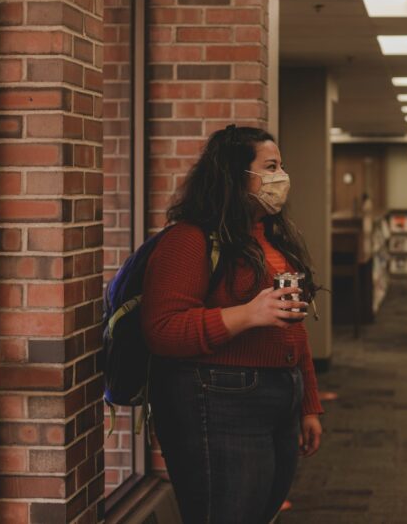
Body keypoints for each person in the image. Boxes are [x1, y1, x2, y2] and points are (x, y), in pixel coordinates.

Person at [142, 125, 324, 524]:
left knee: (260, 512)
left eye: (282, 166)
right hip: (220, 399)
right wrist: (248, 315)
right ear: (235, 176)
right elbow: (163, 329)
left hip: (279, 395)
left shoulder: (272, 239)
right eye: (271, 166)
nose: (281, 177)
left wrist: (308, 403)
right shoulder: (189, 240)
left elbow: (293, 327)